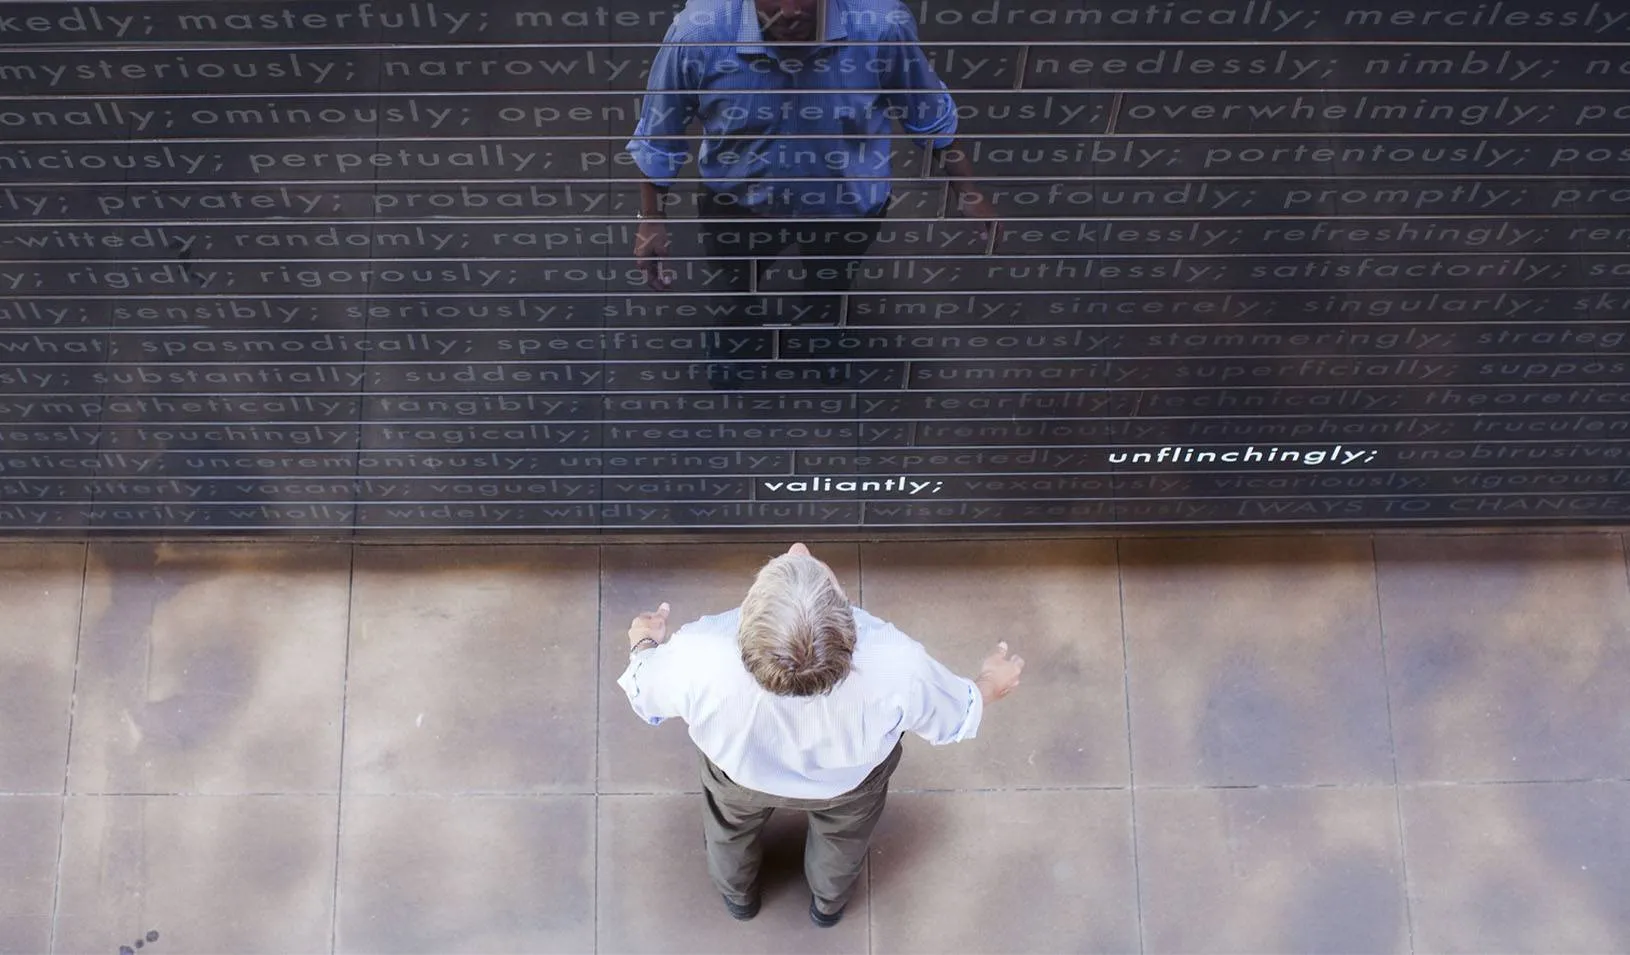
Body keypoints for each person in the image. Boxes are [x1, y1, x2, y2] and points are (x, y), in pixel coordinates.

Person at [616, 542, 1025, 926]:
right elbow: (954, 713)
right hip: (851, 786)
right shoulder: (899, 663)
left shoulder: (699, 651)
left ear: (745, 619)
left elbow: (645, 692)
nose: (799, 548)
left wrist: (644, 642)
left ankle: (738, 898)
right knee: (842, 843)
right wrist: (989, 682)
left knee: (728, 835)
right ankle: (827, 907)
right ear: (847, 619)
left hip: (737, 778)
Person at [627, 0, 1002, 340]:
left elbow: (930, 114)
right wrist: (651, 219)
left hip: (847, 207)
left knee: (831, 286)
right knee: (734, 289)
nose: (790, 12)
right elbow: (660, 133)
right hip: (737, 204)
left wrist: (969, 193)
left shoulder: (882, 26)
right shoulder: (697, 32)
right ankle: (736, 341)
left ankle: (822, 338)